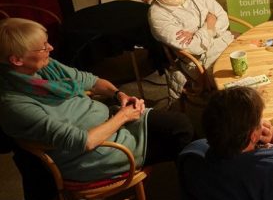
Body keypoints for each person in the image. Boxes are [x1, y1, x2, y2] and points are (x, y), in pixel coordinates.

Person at [0, 18, 193, 182]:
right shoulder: (15, 104)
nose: (50, 48)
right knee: (182, 144)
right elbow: (85, 142)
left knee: (180, 124)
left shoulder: (46, 67)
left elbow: (91, 81)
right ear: (17, 60)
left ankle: (196, 192)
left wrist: (120, 95)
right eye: (42, 47)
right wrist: (123, 117)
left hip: (112, 122)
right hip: (96, 154)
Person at [138, 0, 233, 98]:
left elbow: (223, 17)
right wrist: (210, 22)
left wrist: (197, 33)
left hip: (226, 43)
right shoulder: (157, 15)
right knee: (238, 85)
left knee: (260, 66)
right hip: (202, 62)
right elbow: (196, 48)